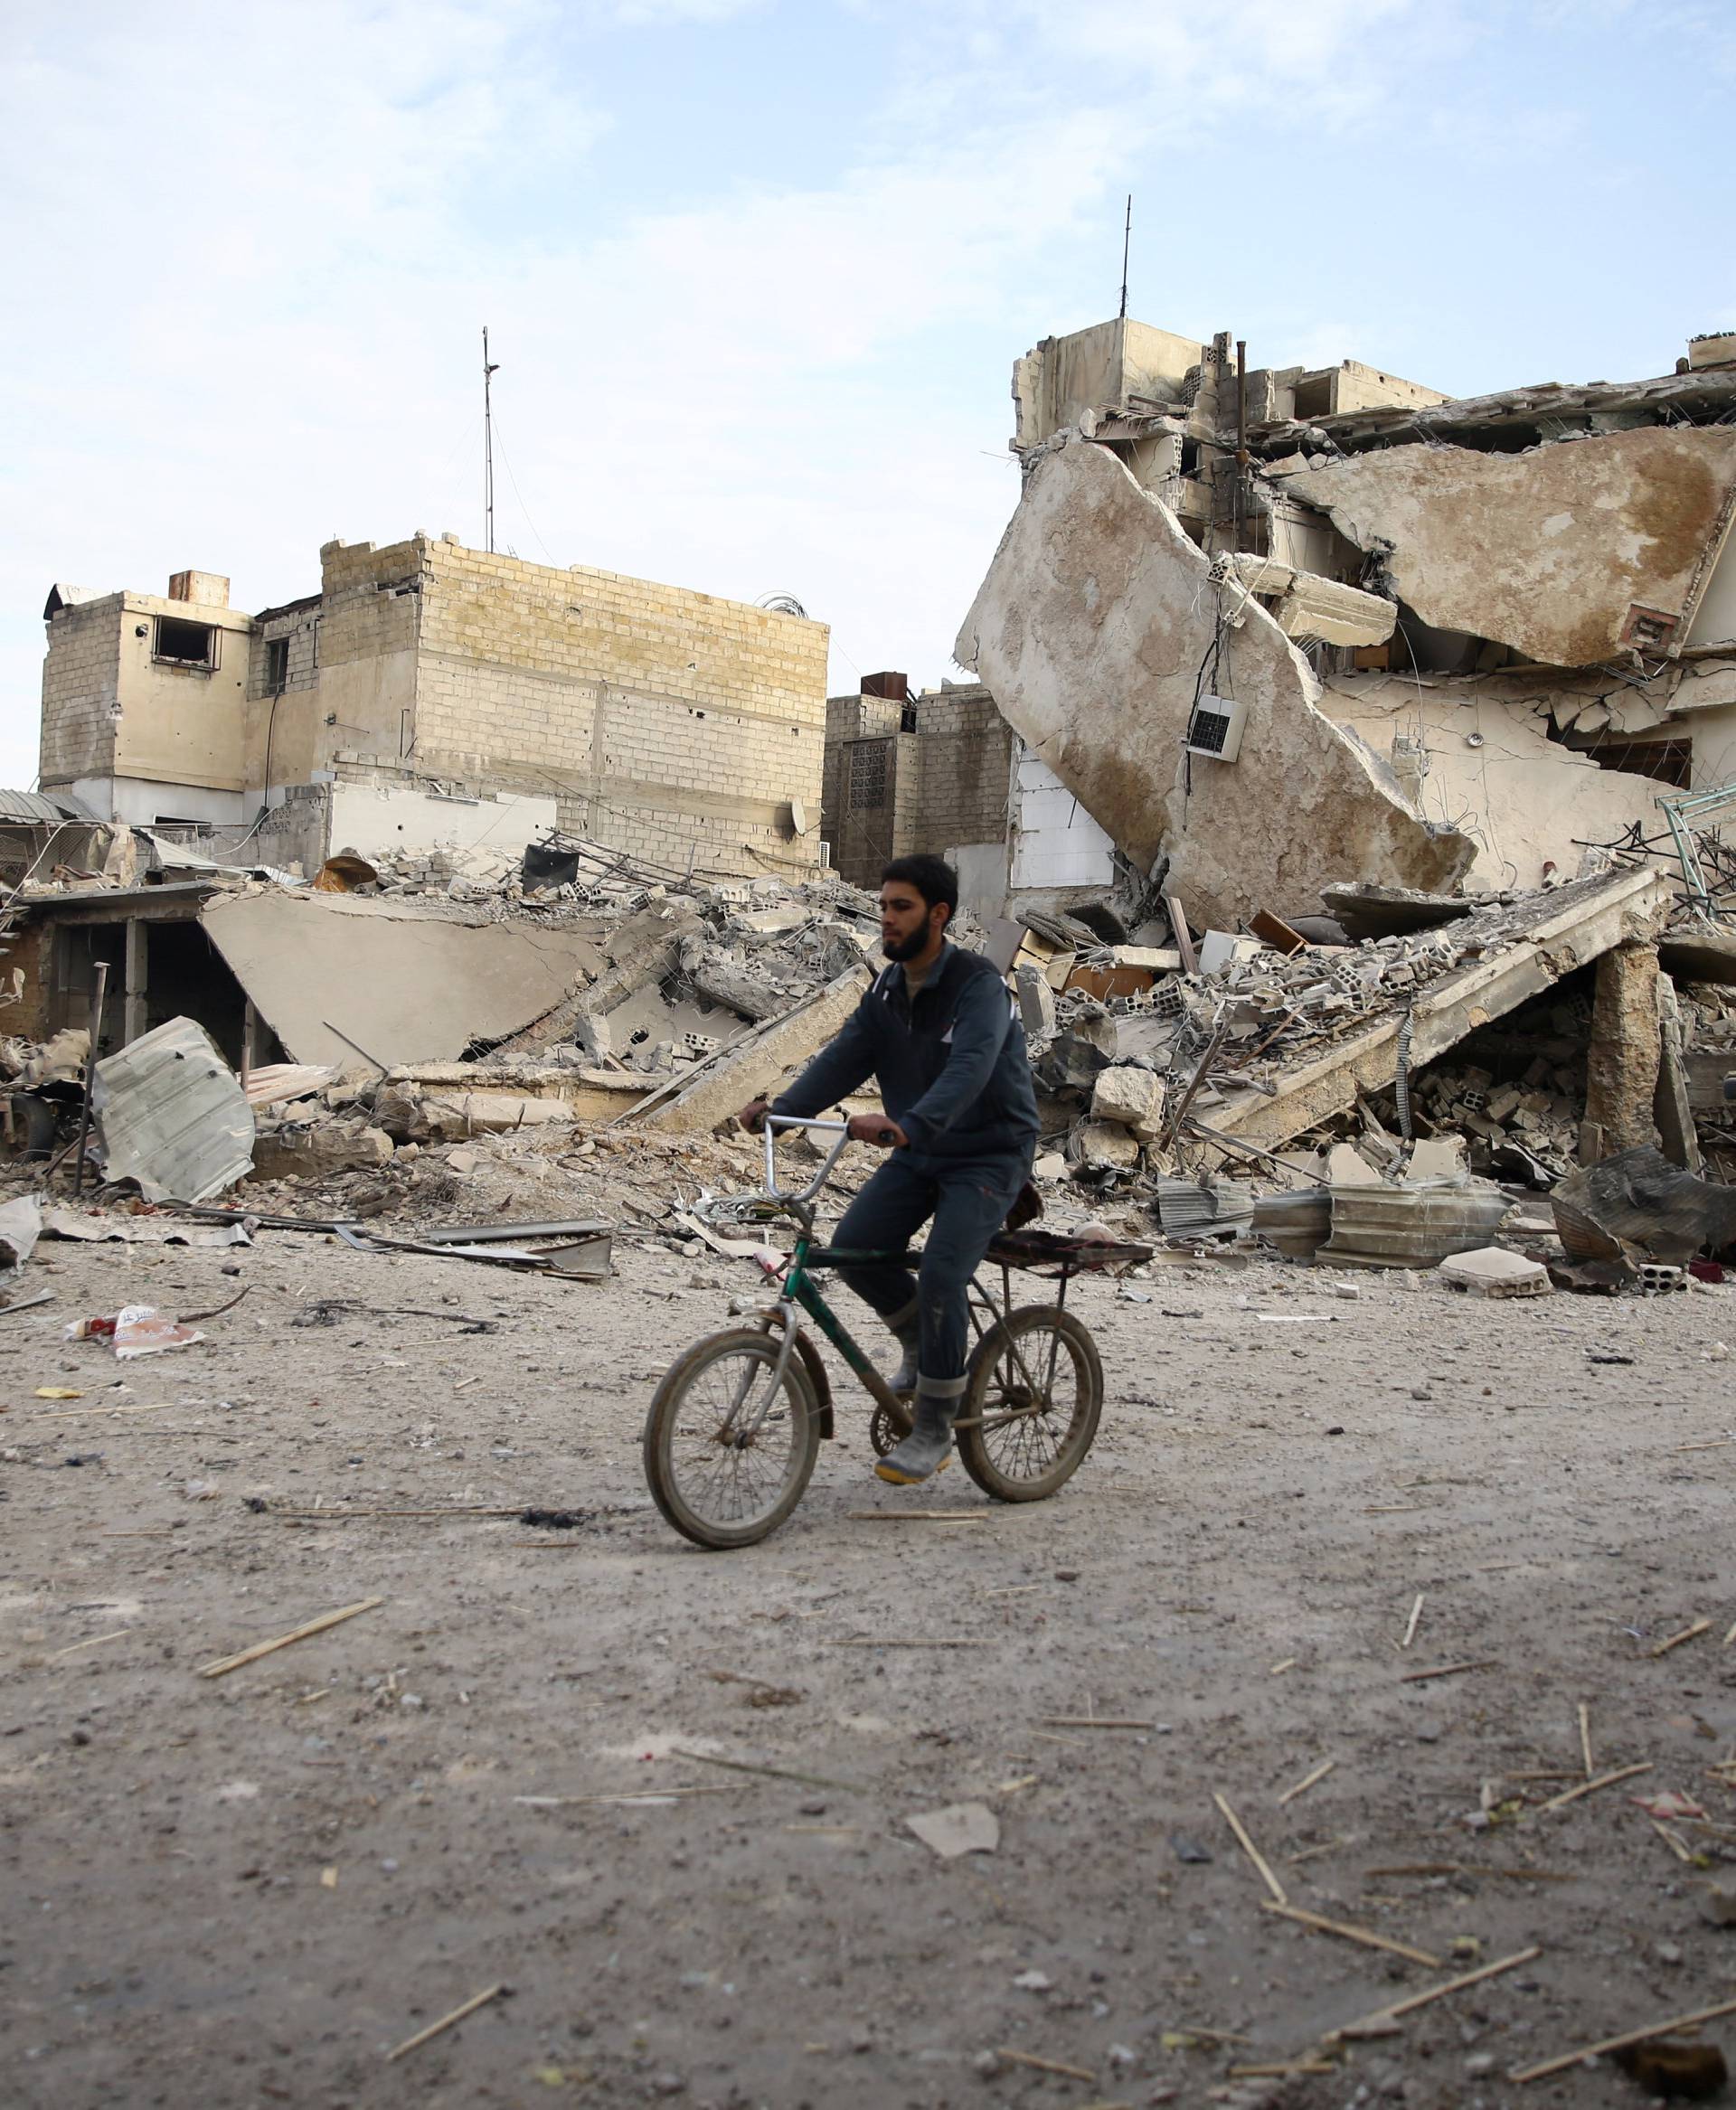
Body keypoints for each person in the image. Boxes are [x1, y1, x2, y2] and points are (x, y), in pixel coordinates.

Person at [738, 854, 1039, 1485]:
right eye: (883, 906)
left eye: (901, 907)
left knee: (940, 1274)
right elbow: (846, 1055)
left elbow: (971, 1069)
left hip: (987, 1152)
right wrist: (784, 1112)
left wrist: (908, 1125)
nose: (887, 919)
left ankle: (934, 1425)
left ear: (939, 914)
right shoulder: (886, 988)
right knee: (852, 1250)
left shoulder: (978, 987)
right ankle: (920, 1346)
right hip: (921, 1149)